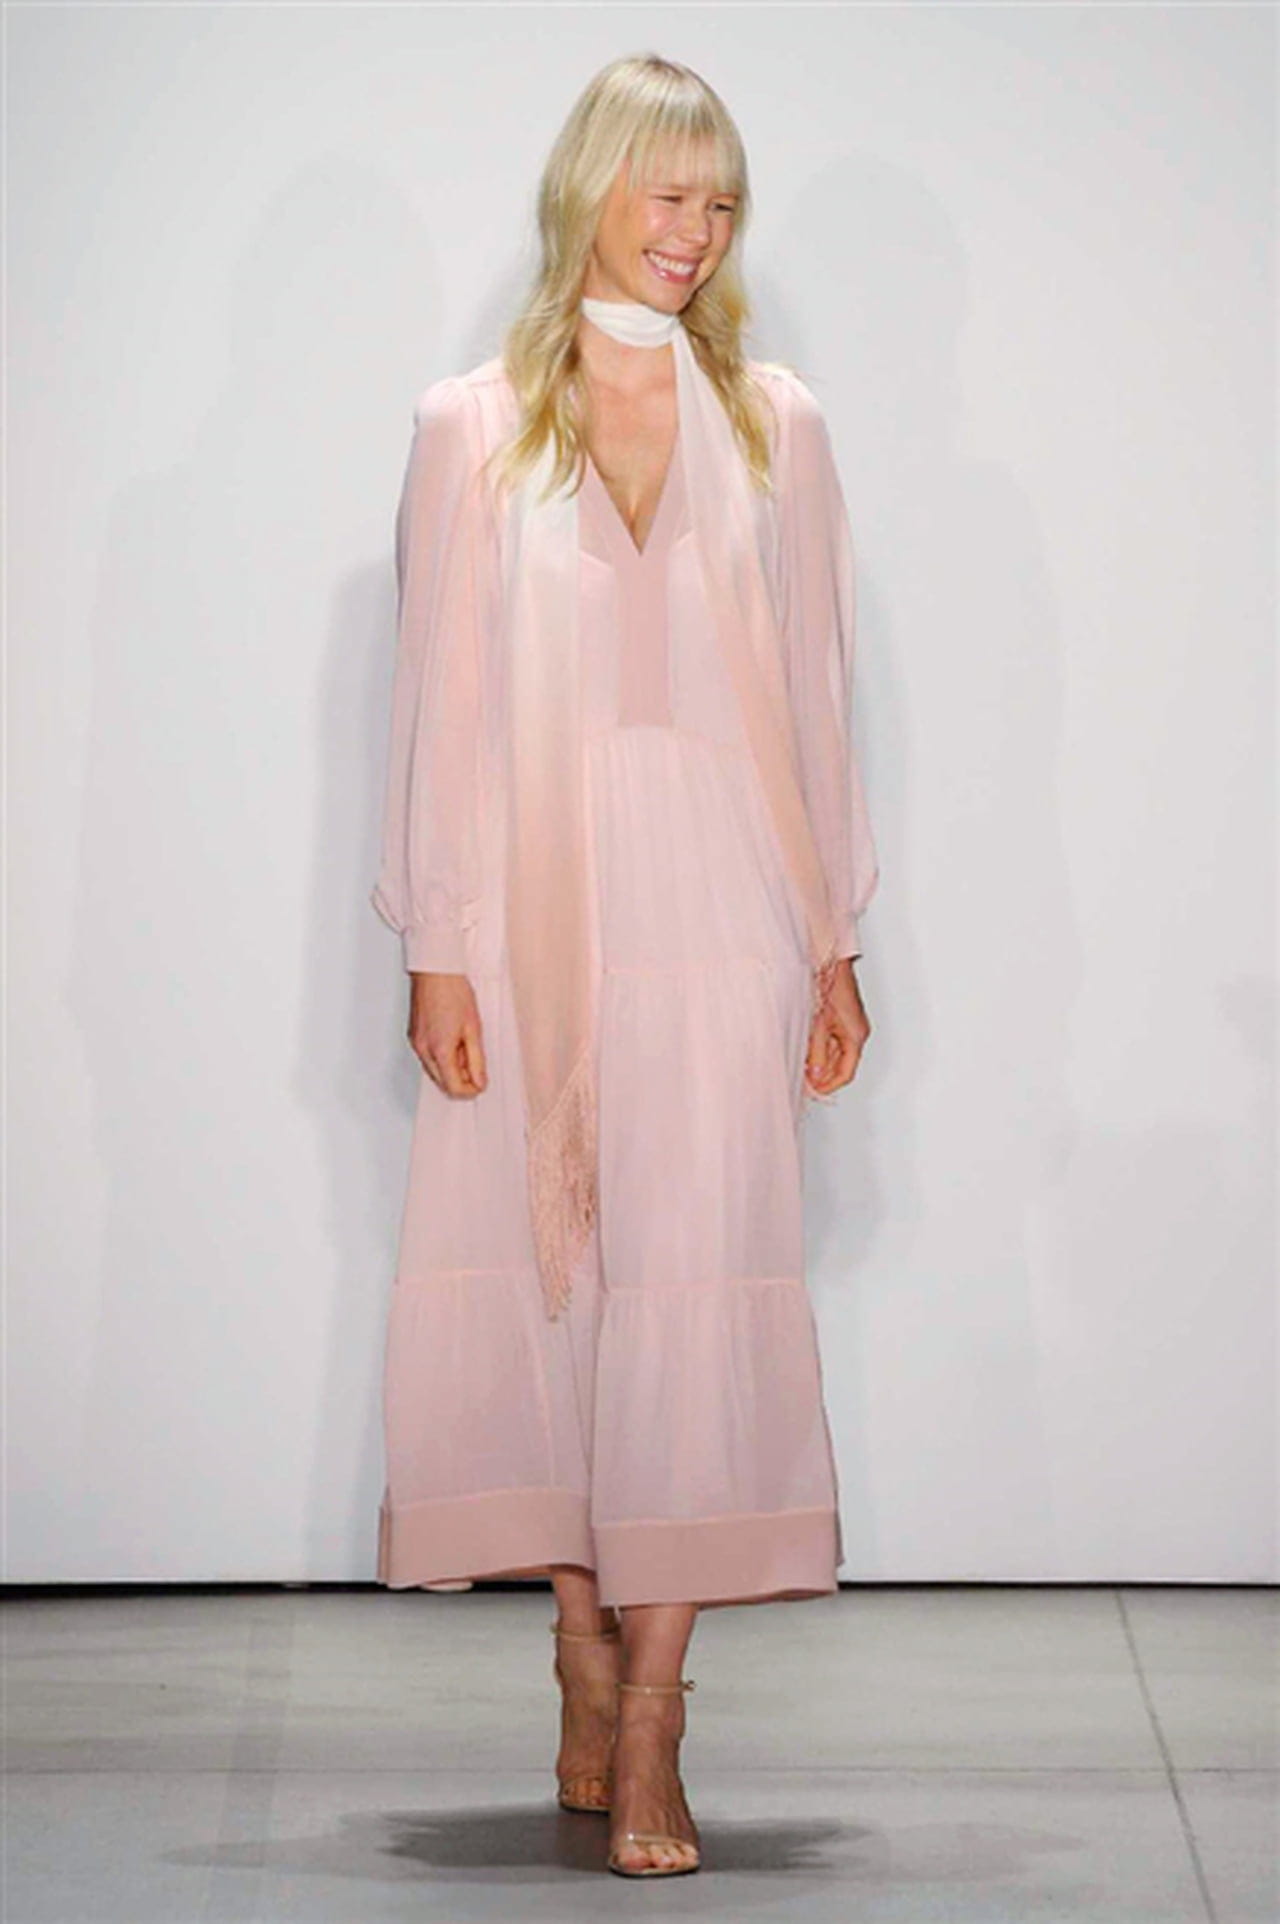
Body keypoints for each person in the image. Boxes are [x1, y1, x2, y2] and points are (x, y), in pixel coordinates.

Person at [369, 52, 879, 1880]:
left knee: (694, 1288)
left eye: (721, 201)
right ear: (592, 191)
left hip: (726, 911)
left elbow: (816, 693)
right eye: (668, 193)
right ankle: (581, 1654)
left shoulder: (776, 421)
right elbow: (435, 701)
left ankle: (656, 1710)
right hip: (532, 914)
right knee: (560, 1283)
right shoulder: (474, 424)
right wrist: (437, 947)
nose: (697, 230)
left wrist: (835, 939)